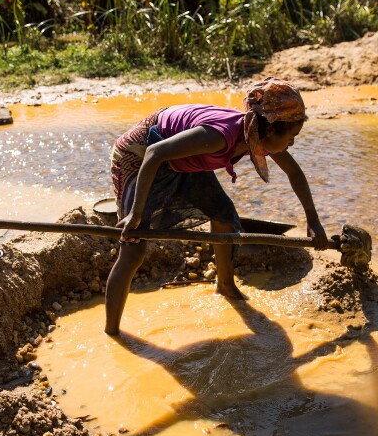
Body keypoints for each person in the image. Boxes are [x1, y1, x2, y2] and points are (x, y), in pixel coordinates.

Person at [104, 78, 328, 335]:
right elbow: (155, 154)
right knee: (133, 247)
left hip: (183, 158)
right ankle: (112, 332)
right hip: (140, 155)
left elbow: (294, 172)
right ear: (269, 130)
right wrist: (136, 212)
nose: (292, 144)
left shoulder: (258, 134)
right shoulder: (220, 135)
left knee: (223, 215)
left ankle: (225, 284)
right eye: (291, 137)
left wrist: (313, 220)